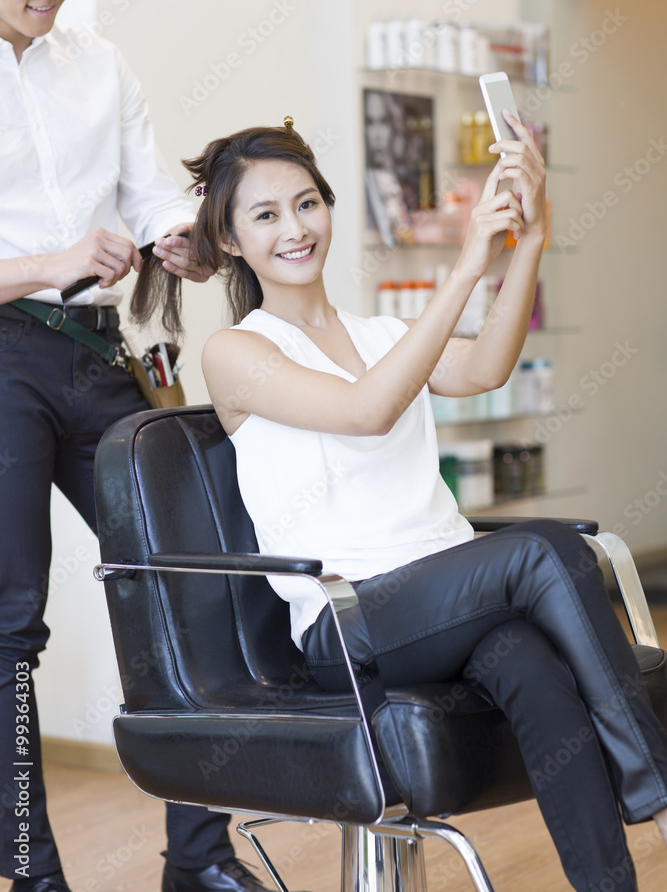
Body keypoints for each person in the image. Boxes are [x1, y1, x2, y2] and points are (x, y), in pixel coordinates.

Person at [181, 117, 667, 892]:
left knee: (532, 667)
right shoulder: (238, 351)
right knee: (544, 549)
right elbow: (366, 409)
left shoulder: (381, 331)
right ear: (232, 240)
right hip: (350, 622)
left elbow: (482, 368)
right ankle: (659, 791)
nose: (295, 228)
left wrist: (529, 240)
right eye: (265, 215)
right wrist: (466, 265)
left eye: (307, 204)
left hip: (442, 601)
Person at [0, 0, 277, 890]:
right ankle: (31, 872)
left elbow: (153, 189)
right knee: (9, 625)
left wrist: (180, 235)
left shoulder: (98, 66)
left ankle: (197, 862)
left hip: (95, 353)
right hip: (2, 360)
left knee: (186, 578)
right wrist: (52, 259)